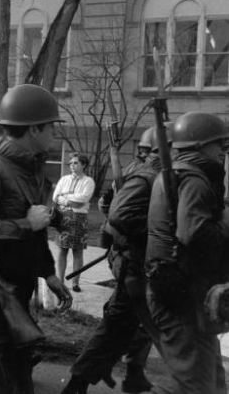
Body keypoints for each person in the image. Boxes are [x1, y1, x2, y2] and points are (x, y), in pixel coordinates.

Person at [0, 83, 72, 394]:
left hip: (16, 293)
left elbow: (33, 233)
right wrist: (24, 223)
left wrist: (48, 273)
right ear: (33, 129)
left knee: (15, 380)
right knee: (7, 382)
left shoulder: (26, 168)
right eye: (50, 127)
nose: (54, 134)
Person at [61, 127, 164, 394]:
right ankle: (78, 383)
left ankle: (132, 372)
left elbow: (109, 207)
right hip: (133, 259)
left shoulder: (138, 172)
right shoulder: (144, 176)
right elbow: (114, 211)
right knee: (121, 323)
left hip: (134, 257)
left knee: (139, 321)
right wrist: (158, 229)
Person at [145, 111, 229, 394]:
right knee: (196, 386)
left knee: (211, 382)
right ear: (199, 145)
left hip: (181, 289)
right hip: (182, 293)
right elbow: (193, 233)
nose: (223, 150)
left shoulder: (181, 173)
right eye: (218, 144)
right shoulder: (194, 178)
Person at [52, 153, 95, 292]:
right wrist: (71, 201)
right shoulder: (64, 179)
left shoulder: (88, 181)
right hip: (63, 218)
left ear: (84, 165)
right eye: (71, 163)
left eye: (75, 163)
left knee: (78, 252)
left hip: (79, 219)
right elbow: (55, 196)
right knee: (62, 250)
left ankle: (75, 282)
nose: (72, 165)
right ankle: (60, 280)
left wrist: (66, 198)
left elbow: (83, 198)